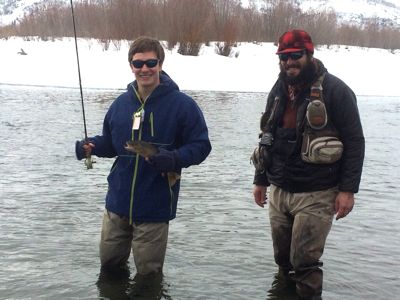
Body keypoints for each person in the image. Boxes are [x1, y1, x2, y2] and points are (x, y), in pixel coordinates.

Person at [75, 36, 211, 276]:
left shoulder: (183, 105)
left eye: (151, 63)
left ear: (160, 64)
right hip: (116, 205)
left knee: (149, 276)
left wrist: (174, 158)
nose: (144, 69)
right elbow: (112, 144)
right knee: (109, 268)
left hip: (154, 208)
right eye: (138, 64)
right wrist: (91, 146)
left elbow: (201, 146)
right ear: (131, 66)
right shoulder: (120, 104)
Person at [252, 29, 365, 300]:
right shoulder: (278, 89)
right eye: (283, 57)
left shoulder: (337, 90)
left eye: (295, 56)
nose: (289, 62)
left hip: (317, 192)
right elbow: (267, 134)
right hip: (280, 189)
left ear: (309, 54)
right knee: (282, 258)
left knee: (305, 261)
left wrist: (347, 190)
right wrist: (260, 179)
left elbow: (355, 142)